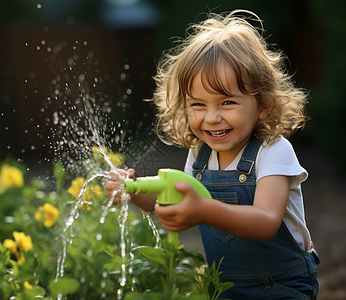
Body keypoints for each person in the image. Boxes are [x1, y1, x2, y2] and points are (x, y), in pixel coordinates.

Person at [106, 9, 319, 299]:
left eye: (227, 102)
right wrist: (133, 191)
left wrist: (204, 210)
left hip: (280, 284)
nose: (212, 117)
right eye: (198, 105)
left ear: (263, 106)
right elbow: (169, 199)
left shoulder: (273, 151)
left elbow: (265, 221)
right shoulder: (200, 154)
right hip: (225, 285)